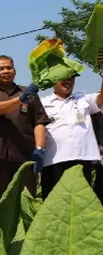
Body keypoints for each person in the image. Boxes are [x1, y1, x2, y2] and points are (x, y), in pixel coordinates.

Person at [0, 55, 49, 200]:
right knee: (1, 199)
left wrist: (40, 149)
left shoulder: (29, 93)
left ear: (15, 71)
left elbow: (39, 122)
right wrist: (20, 99)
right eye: (0, 68)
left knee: (27, 199)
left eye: (9, 67)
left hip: (25, 154)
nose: (5, 71)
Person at [40, 71, 103, 199]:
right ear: (53, 79)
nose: (68, 80)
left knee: (81, 202)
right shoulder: (42, 103)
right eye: (63, 76)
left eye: (72, 78)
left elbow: (101, 98)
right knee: (54, 203)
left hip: (82, 159)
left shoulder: (83, 99)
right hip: (54, 161)